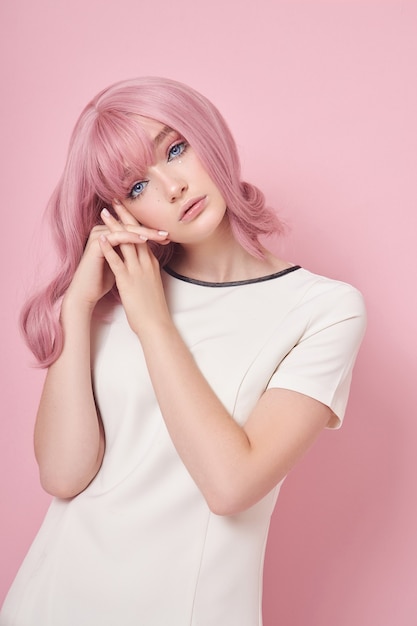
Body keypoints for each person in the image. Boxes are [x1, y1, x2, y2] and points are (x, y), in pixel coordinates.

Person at [0, 77, 366, 626]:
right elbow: (63, 475)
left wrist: (153, 322)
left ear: (208, 135)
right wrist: (77, 307)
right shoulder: (108, 297)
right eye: (136, 187)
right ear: (118, 212)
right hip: (52, 601)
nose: (171, 187)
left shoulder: (322, 309)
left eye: (175, 149)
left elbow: (231, 484)